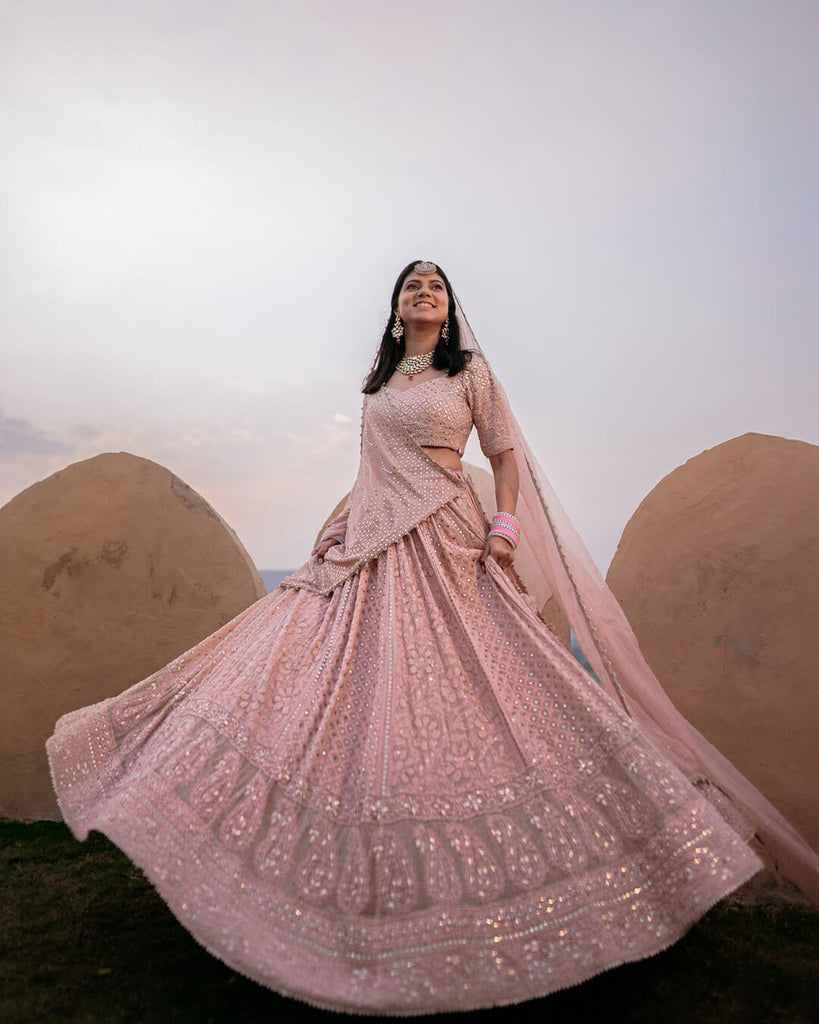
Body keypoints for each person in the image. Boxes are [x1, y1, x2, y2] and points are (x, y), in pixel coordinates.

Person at [46, 261, 818, 1015]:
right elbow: (368, 470)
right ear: (396, 308)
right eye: (412, 285)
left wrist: (505, 528)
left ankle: (620, 870)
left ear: (449, 309)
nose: (424, 292)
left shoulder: (469, 373)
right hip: (376, 543)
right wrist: (338, 529)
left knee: (492, 687)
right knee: (335, 681)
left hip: (448, 537)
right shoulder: (379, 386)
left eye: (436, 286)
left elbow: (505, 455)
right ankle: (362, 894)